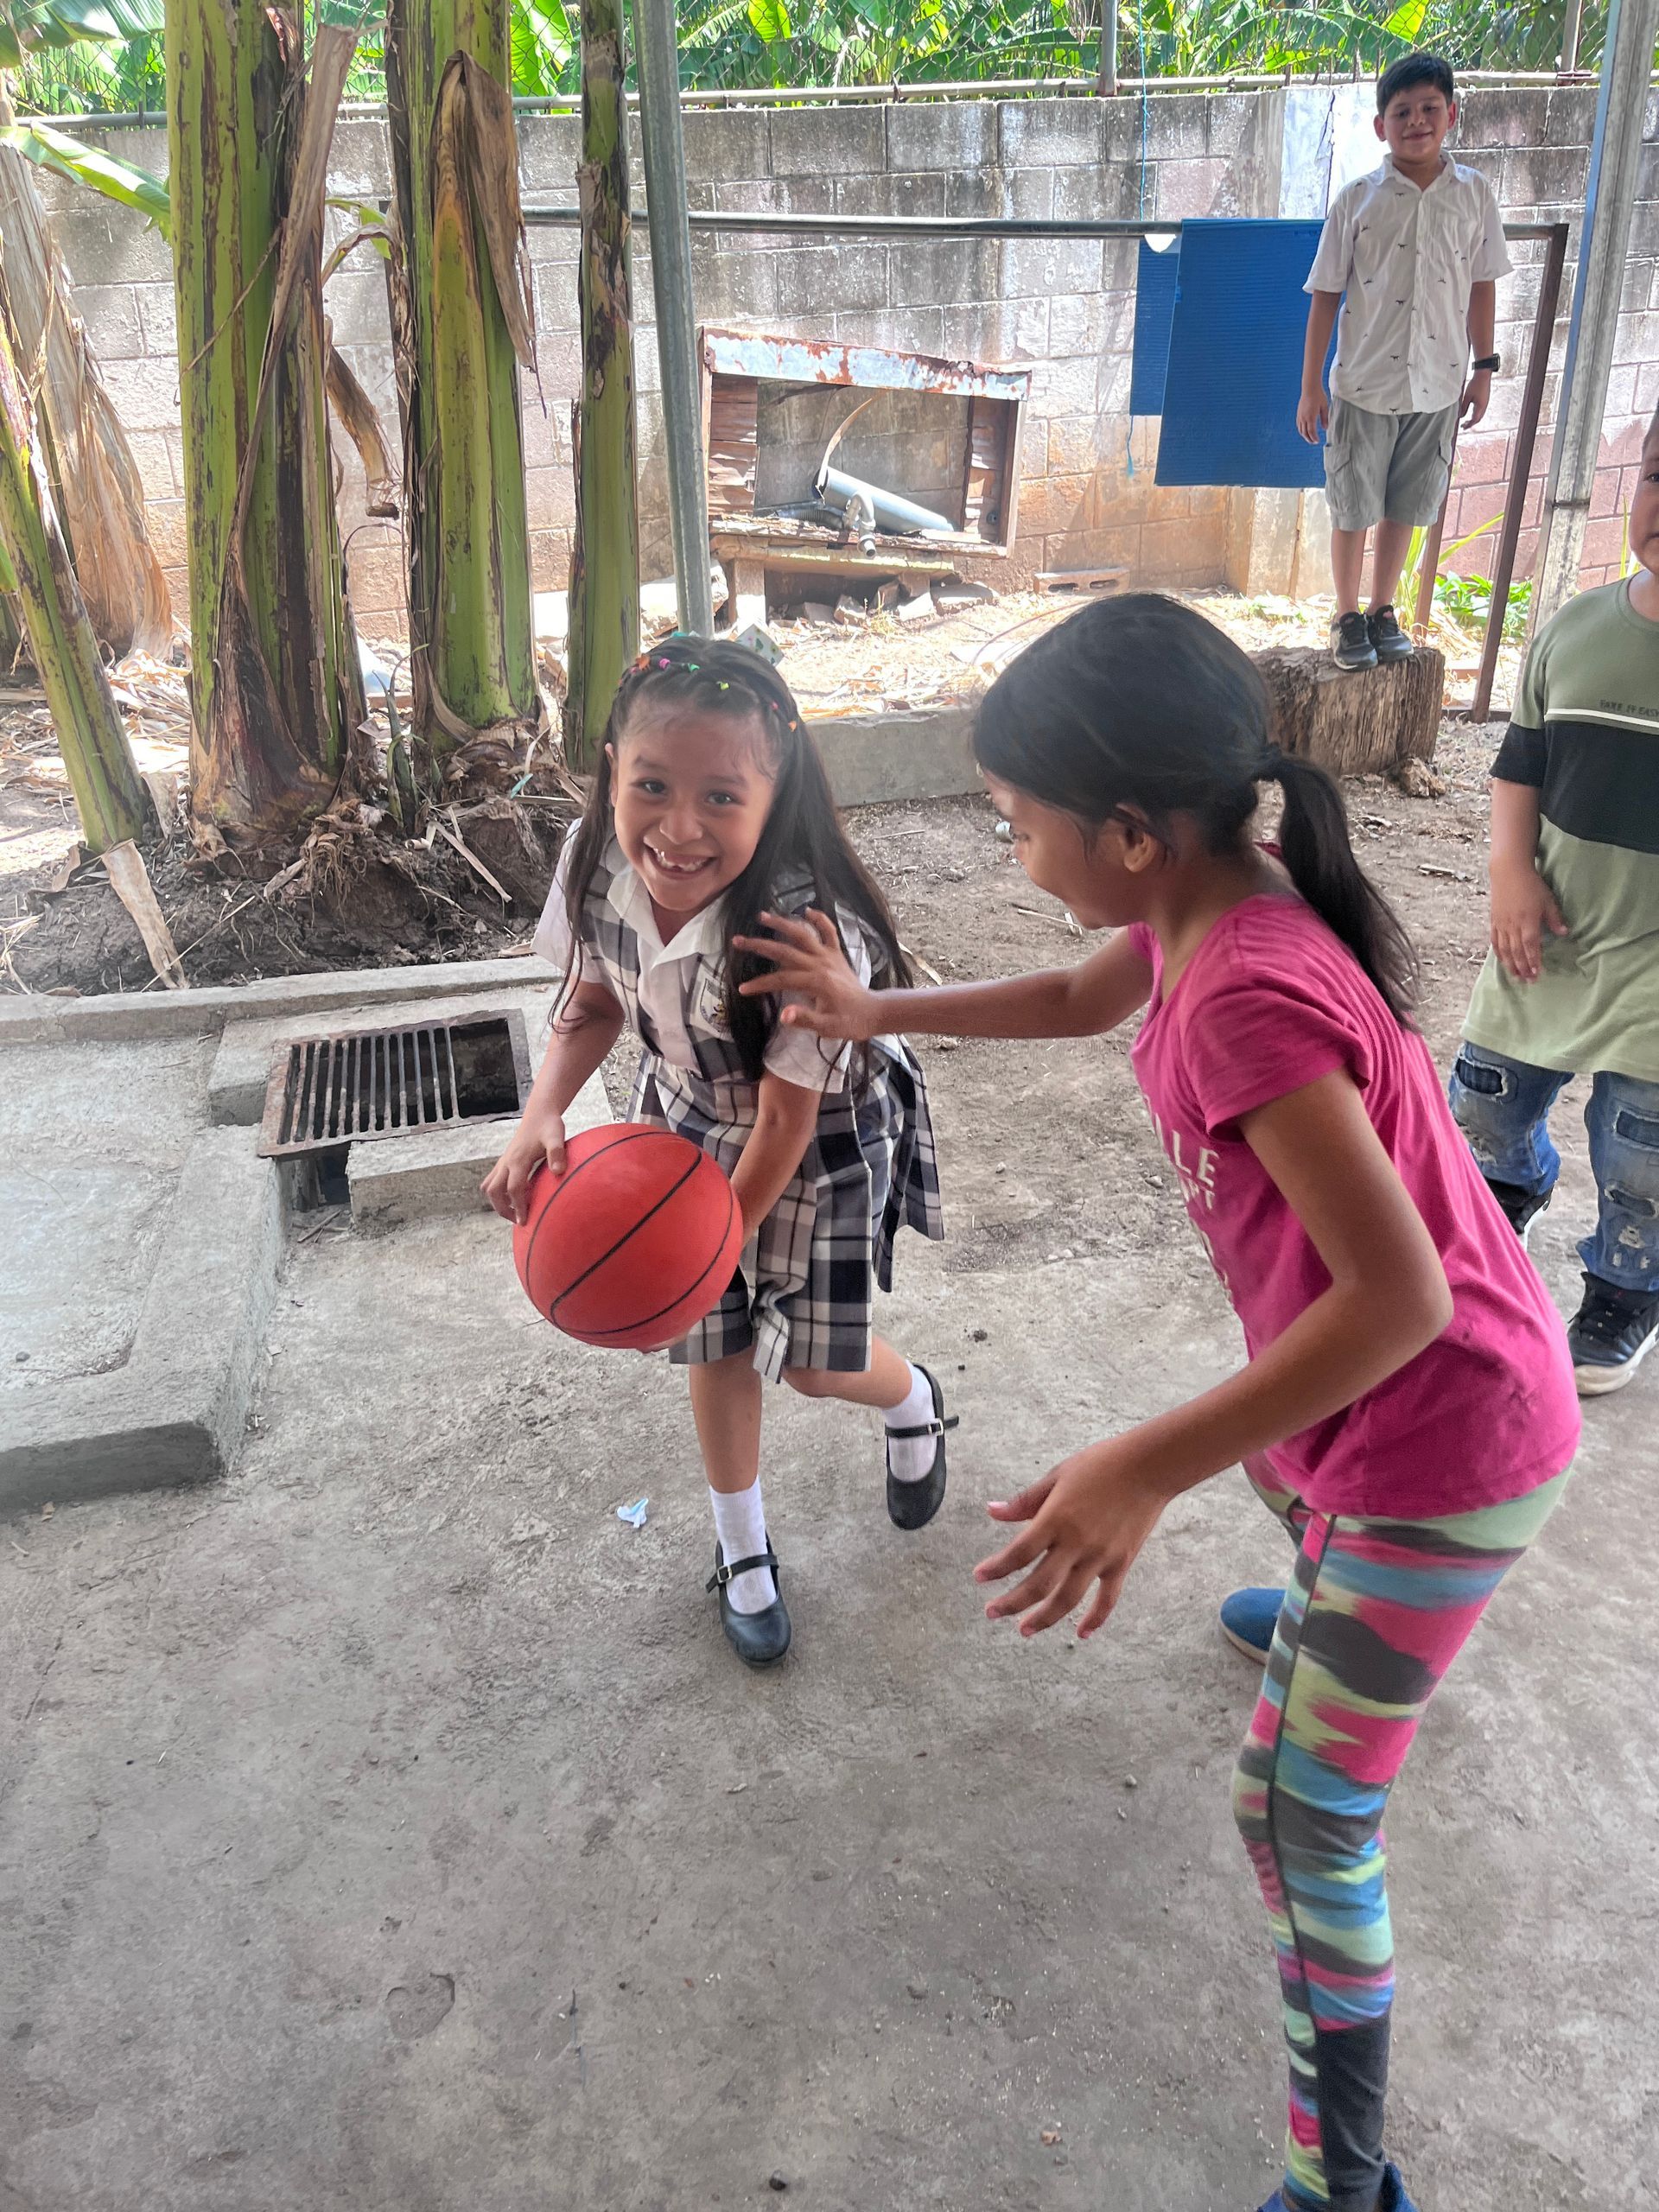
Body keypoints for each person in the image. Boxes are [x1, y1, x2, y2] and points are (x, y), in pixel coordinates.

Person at [738, 594, 1579, 2212]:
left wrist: (1139, 1466)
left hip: (1444, 1445)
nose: (1014, 857)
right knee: (1279, 1449)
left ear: (1130, 832)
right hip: (1390, 1412)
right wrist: (872, 1013)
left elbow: (1398, 1303)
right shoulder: (1203, 901)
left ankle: (1345, 2188)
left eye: (1018, 825)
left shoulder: (1248, 992)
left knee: (1298, 1821)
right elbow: (1076, 997)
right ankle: (1337, 1601)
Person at [482, 639, 954, 1669]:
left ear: (773, 798)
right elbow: (593, 1002)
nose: (679, 827)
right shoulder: (593, 861)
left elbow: (785, 1119)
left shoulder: (804, 931)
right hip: (683, 1125)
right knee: (717, 1346)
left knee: (816, 1370)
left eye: (721, 797)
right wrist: (539, 1112)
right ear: (613, 765)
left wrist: (715, 1240)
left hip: (815, 1142)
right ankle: (744, 1550)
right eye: (652, 785)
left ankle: (913, 1399)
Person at [1448, 407, 1659, 1394]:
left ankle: (1627, 1282)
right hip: (1551, 932)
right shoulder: (1575, 630)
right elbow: (1520, 764)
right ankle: (1509, 1193)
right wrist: (1509, 871)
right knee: (1481, 1103)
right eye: (1658, 475)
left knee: (1642, 1154)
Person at [1297, 51, 1510, 671]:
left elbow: (1483, 283)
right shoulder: (1357, 200)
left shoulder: (1474, 195)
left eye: (1429, 108)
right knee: (1353, 507)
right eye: (1402, 111)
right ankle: (1346, 615)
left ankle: (1382, 609)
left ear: (1452, 115)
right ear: (1380, 126)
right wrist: (1311, 386)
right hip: (1363, 385)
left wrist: (1484, 367)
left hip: (1438, 386)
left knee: (1407, 507)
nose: (1417, 121)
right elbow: (1325, 295)